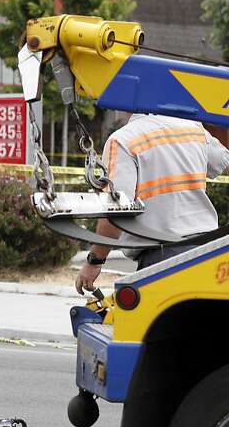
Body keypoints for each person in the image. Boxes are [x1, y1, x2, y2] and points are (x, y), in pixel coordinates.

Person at [76, 113, 229, 293]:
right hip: (208, 251)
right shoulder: (193, 128)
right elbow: (223, 161)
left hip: (163, 258)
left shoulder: (123, 140)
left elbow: (116, 210)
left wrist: (95, 261)